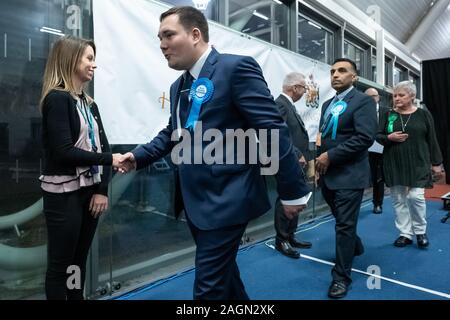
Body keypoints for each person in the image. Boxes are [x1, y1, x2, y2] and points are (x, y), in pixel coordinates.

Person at [118, 6, 311, 300]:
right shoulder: (178, 86)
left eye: (169, 35)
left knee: (208, 290)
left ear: (195, 35)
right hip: (196, 202)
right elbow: (174, 133)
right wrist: (139, 156)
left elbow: (270, 130)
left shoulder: (236, 69)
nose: (162, 45)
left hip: (228, 199)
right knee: (225, 279)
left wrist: (293, 192)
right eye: (159, 38)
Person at [39, 36, 121, 299]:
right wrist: (110, 160)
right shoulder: (57, 99)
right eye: (88, 58)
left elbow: (103, 148)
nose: (93, 64)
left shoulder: (89, 103)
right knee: (60, 266)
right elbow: (64, 152)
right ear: (71, 59)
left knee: (77, 261)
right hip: (63, 197)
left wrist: (102, 190)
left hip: (89, 193)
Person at [316, 58, 377, 299]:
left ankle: (341, 278)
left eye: (342, 71)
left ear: (354, 77)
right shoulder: (327, 104)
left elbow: (364, 138)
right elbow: (324, 137)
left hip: (351, 174)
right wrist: (319, 163)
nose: (335, 75)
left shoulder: (362, 102)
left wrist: (330, 155)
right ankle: (355, 244)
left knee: (343, 226)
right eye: (332, 71)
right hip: (328, 174)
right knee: (343, 220)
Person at [376, 81, 444, 249]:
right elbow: (378, 136)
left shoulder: (423, 114)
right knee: (398, 199)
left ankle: (420, 231)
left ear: (412, 96)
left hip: (418, 162)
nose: (396, 98)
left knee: (415, 197)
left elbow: (432, 139)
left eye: (401, 95)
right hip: (393, 161)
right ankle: (405, 233)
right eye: (394, 95)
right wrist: (388, 138)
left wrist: (436, 163)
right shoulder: (387, 114)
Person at [273, 72, 312, 259]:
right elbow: (276, 133)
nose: (305, 92)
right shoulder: (281, 103)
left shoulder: (288, 105)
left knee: (295, 197)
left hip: (294, 160)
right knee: (286, 199)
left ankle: (290, 235)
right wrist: (296, 153)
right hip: (287, 160)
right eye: (304, 87)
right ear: (295, 87)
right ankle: (281, 240)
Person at [365, 88, 389, 214]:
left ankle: (377, 203)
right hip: (362, 148)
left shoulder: (387, 112)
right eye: (368, 97)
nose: (371, 99)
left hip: (380, 148)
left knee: (378, 178)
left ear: (378, 97)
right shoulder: (360, 111)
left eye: (373, 96)